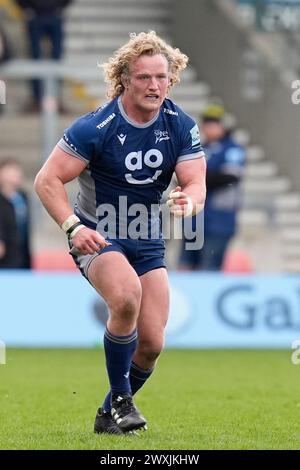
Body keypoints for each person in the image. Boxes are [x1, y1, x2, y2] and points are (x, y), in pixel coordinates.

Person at [34, 31, 206, 434]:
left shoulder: (180, 124)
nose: (154, 85)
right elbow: (46, 180)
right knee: (126, 296)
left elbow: (195, 181)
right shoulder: (96, 126)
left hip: (147, 238)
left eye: (161, 77)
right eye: (144, 77)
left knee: (152, 344)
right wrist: (72, 227)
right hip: (96, 233)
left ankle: (107, 412)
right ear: (125, 80)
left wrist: (190, 201)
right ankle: (124, 402)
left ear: (171, 78)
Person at [179, 103, 245, 271]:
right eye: (207, 124)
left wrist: (197, 180)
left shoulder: (232, 149)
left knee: (209, 267)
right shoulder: (200, 148)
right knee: (185, 266)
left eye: (214, 124)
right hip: (195, 219)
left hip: (219, 221)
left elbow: (230, 176)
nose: (210, 128)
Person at [15, 0, 73, 112]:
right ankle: (37, 99)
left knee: (57, 59)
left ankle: (55, 99)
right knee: (35, 60)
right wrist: (26, 8)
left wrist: (60, 8)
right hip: (35, 16)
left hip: (54, 15)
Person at [0, 158, 31, 269]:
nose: (18, 173)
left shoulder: (23, 197)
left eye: (18, 170)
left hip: (22, 257)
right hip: (5, 260)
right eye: (12, 171)